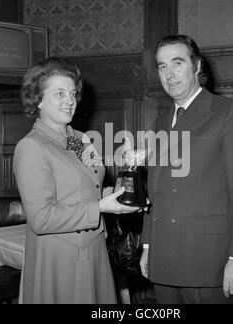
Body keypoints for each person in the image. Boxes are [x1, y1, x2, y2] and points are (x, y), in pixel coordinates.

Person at [140, 35, 233, 304]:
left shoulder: (229, 112)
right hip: (164, 259)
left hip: (208, 262)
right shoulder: (161, 121)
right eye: (162, 66)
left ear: (197, 66)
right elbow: (155, 191)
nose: (169, 74)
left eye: (177, 63)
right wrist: (148, 246)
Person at [13, 57, 139, 304]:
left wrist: (121, 193)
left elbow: (92, 186)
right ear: (38, 100)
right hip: (59, 257)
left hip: (94, 249)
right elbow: (41, 219)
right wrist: (101, 207)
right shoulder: (31, 147)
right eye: (59, 93)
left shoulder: (79, 139)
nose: (70, 100)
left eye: (72, 93)